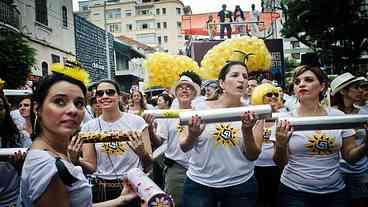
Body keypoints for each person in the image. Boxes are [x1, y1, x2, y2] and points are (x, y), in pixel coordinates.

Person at [18, 64, 137, 206]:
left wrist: (121, 200)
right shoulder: (49, 167)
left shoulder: (49, 154)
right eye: (59, 101)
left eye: (79, 103)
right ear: (37, 108)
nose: (72, 110)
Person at [273, 65, 368, 207]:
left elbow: (350, 157)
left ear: (322, 86)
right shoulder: (285, 120)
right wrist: (281, 144)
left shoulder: (338, 117)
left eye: (309, 80)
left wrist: (366, 145)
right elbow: (280, 162)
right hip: (295, 192)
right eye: (297, 82)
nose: (302, 84)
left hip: (335, 193)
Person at [180, 61, 262, 207]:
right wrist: (193, 134)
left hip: (240, 186)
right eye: (235, 75)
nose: (242, 80)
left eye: (245, 76)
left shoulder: (255, 113)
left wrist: (246, 130)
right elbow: (184, 146)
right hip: (200, 185)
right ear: (222, 83)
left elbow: (253, 155)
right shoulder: (198, 107)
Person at [79, 79, 152, 205]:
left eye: (110, 92)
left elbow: (150, 163)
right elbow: (91, 167)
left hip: (133, 186)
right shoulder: (88, 128)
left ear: (118, 96)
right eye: (100, 93)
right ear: (96, 98)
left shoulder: (137, 122)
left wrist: (142, 153)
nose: (105, 96)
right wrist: (76, 160)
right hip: (103, 189)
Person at [156, 71, 202, 207]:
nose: (184, 90)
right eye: (180, 87)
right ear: (175, 93)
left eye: (188, 87)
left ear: (194, 92)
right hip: (176, 169)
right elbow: (160, 140)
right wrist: (148, 131)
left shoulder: (202, 111)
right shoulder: (168, 114)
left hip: (201, 169)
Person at [330, 73, 368, 207]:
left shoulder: (364, 113)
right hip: (336, 171)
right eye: (356, 87)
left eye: (361, 87)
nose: (361, 91)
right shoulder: (329, 115)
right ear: (343, 91)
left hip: (360, 170)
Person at [251, 83, 283, 207]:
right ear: (259, 97)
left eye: (276, 94)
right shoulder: (253, 117)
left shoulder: (284, 115)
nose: (274, 97)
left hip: (276, 168)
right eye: (269, 94)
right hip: (255, 167)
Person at [0, 93, 31, 206]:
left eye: (0, 107)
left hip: (14, 201)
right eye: (20, 105)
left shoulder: (21, 138)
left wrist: (21, 165)